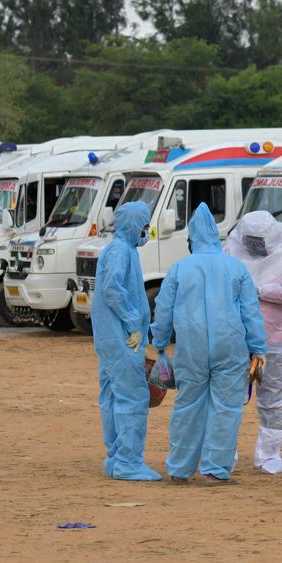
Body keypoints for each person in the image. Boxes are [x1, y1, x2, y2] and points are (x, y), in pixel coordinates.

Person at [151, 203, 268, 485]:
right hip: (231, 348)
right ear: (216, 237)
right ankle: (215, 470)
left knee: (188, 405)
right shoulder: (235, 267)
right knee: (226, 409)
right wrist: (258, 348)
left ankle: (180, 468)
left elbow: (163, 309)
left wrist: (159, 342)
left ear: (192, 238)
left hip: (191, 350)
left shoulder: (179, 269)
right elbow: (250, 312)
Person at [225, 210, 282, 474]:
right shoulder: (231, 248)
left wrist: (259, 290)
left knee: (272, 398)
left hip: (275, 337)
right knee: (231, 397)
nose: (256, 246)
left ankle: (269, 455)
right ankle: (225, 453)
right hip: (239, 336)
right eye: (252, 240)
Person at [91, 200, 162, 481]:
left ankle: (115, 457)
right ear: (135, 224)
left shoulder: (120, 249)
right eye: (144, 226)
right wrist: (133, 323)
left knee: (112, 395)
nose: (146, 231)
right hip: (123, 338)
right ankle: (128, 461)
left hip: (112, 337)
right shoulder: (121, 251)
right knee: (133, 396)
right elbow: (113, 289)